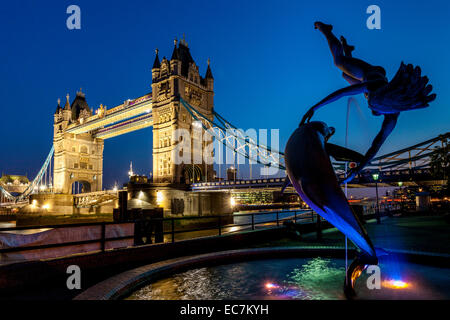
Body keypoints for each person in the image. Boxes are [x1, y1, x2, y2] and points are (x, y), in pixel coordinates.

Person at [301, 22, 436, 183]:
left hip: (373, 79)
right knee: (338, 62)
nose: (369, 107)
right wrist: (314, 108)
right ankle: (327, 30)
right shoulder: (373, 87)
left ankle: (348, 49)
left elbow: (375, 147)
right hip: (370, 72)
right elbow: (342, 93)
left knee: (345, 76)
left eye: (372, 106)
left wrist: (357, 170)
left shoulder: (391, 117)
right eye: (371, 105)